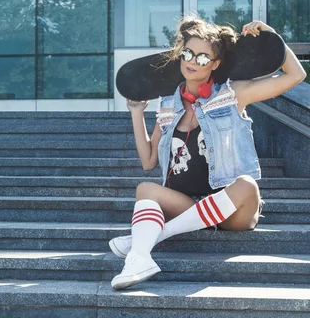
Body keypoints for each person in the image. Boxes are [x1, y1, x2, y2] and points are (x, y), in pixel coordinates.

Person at [109, 16, 307, 290]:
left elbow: (296, 76)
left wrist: (271, 37)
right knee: (145, 189)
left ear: (215, 65)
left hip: (234, 210)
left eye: (203, 58)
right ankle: (140, 257)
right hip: (190, 205)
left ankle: (152, 237)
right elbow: (148, 161)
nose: (193, 61)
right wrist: (136, 114)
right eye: (188, 53)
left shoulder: (232, 94)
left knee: (247, 184)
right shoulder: (168, 106)